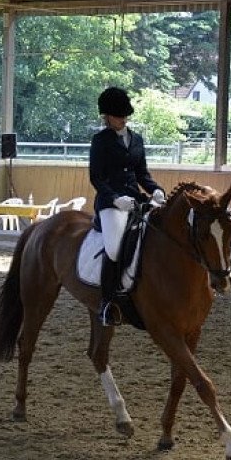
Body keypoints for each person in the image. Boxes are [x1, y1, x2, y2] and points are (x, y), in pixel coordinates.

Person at [89, 87, 165, 326]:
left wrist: (156, 190)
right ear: (107, 116)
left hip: (135, 199)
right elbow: (96, 178)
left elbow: (142, 173)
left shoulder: (137, 139)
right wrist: (114, 199)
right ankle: (108, 303)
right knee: (113, 248)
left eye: (124, 115)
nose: (122, 119)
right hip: (111, 203)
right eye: (117, 115)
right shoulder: (100, 141)